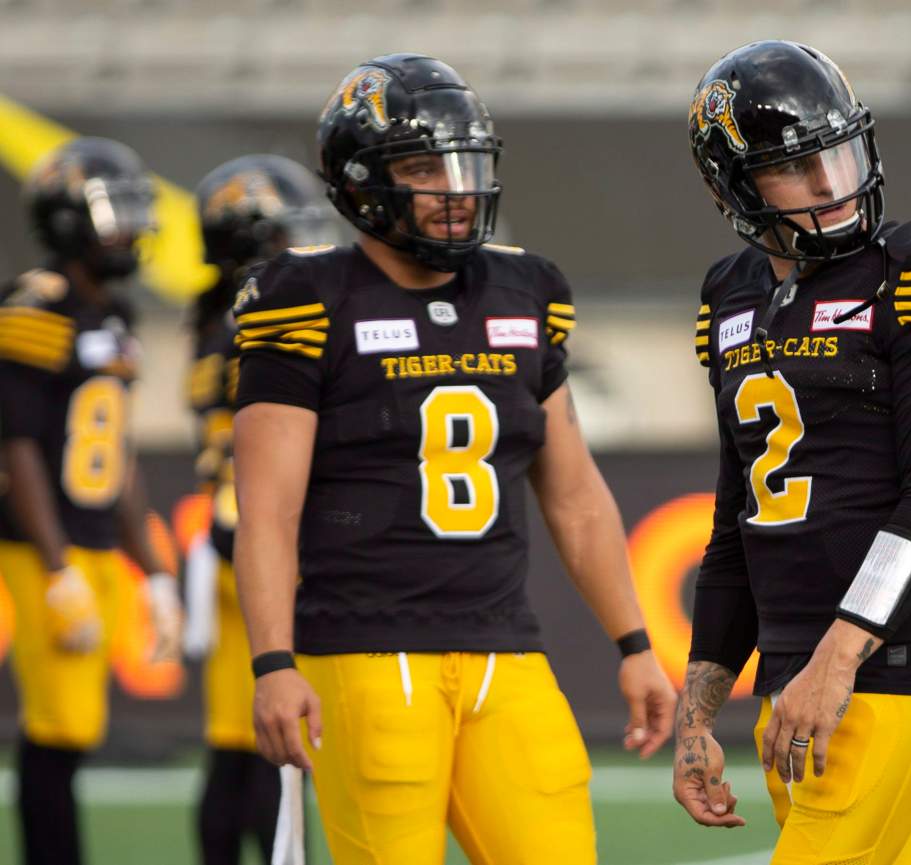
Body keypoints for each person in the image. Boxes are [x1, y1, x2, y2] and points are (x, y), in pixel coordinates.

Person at [231, 53, 676, 865]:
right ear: (362, 180)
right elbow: (268, 508)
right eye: (422, 165)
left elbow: (574, 494)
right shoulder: (305, 298)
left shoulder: (526, 290)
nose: (455, 186)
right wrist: (271, 662)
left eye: (464, 162)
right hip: (367, 652)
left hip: (506, 647)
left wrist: (636, 642)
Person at [673, 41, 911, 865]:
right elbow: (737, 523)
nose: (831, 184)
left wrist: (838, 656)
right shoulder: (732, 295)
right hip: (791, 663)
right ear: (736, 188)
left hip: (892, 655)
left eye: (838, 153)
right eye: (798, 169)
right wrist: (695, 716)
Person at [0, 137, 184, 865]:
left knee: (76, 728)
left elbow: (119, 452)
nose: (130, 232)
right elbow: (14, 443)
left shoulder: (117, 315)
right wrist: (54, 565)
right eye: (115, 215)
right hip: (44, 542)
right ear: (69, 221)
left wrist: (157, 569)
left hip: (96, 537)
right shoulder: (36, 303)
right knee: (58, 728)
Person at [186, 153, 337, 865]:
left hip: (225, 528)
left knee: (239, 740)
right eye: (282, 236)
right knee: (273, 747)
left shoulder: (214, 321)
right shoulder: (258, 323)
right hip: (262, 534)